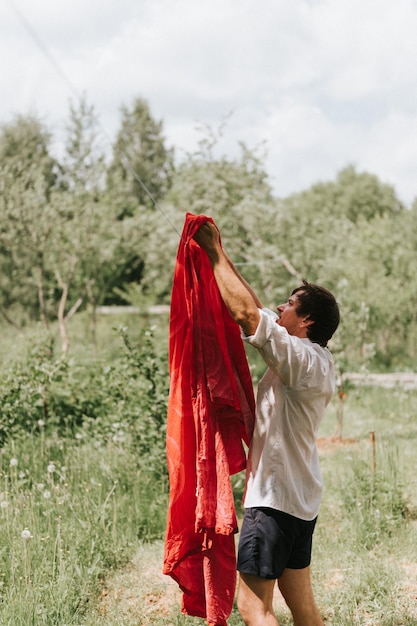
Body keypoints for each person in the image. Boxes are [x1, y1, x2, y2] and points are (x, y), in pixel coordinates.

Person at [193, 221, 340, 626]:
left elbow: (245, 314)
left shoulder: (300, 361)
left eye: (290, 304)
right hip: (301, 502)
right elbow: (256, 312)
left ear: (307, 320)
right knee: (302, 605)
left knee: (255, 608)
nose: (280, 308)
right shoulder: (315, 360)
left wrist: (211, 252)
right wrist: (223, 257)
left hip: (274, 503)